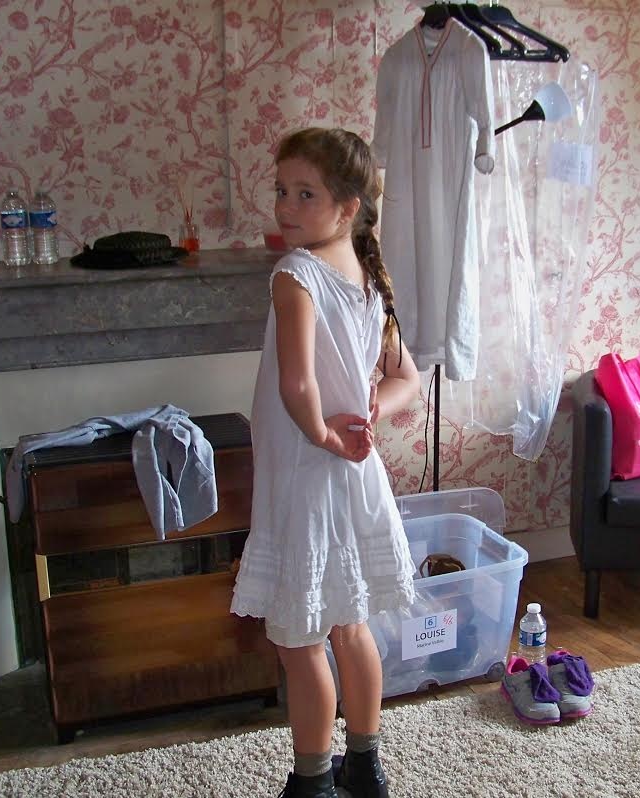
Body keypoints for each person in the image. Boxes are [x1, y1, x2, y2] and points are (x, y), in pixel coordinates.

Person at [231, 128, 422, 798]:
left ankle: (312, 784)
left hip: (308, 478)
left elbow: (297, 384)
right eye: (281, 190)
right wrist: (369, 414)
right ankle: (365, 768)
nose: (285, 205)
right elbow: (406, 380)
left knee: (300, 640)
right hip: (354, 477)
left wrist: (323, 434)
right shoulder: (366, 275)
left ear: (347, 207)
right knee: (351, 624)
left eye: (305, 194)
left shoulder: (296, 273)